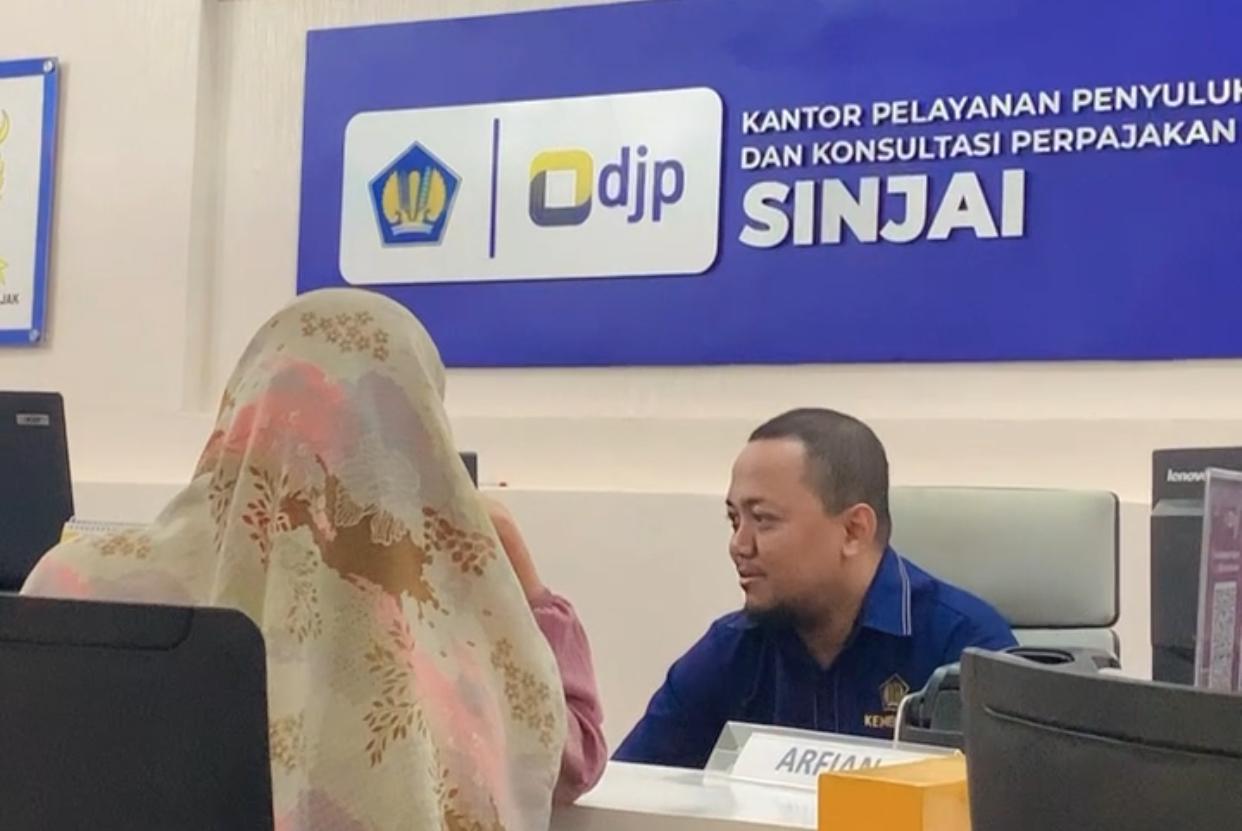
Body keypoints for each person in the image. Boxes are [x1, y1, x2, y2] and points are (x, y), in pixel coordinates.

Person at [22, 288, 605, 829]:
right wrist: (523, 579)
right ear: (423, 433)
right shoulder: (459, 649)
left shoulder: (74, 584)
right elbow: (573, 753)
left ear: (242, 407)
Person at [614, 408, 1016, 769]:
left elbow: (1018, 805)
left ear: (853, 531)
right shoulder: (732, 649)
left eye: (763, 519)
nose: (739, 545)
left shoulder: (966, 650)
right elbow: (627, 792)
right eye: (734, 520)